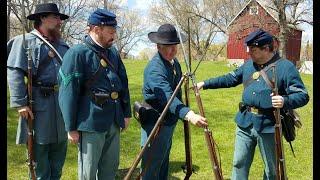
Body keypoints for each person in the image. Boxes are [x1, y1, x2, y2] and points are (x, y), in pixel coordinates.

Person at [197, 29, 309, 180]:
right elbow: (230, 78)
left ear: (267, 48)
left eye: (253, 50)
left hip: (270, 125)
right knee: (238, 163)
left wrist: (285, 101)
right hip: (245, 122)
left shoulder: (285, 67)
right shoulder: (249, 65)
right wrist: (205, 83)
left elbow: (302, 95)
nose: (249, 53)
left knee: (272, 170)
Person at [58, 8, 131, 180]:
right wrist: (70, 127)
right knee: (88, 172)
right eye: (110, 32)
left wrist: (126, 113)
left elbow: (123, 83)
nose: (114, 36)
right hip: (90, 123)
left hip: (113, 120)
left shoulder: (112, 52)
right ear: (96, 29)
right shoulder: (77, 54)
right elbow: (67, 92)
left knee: (110, 169)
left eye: (114, 31)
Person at [7, 3, 69, 179]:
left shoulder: (63, 46)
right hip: (38, 106)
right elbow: (14, 71)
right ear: (42, 18)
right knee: (39, 158)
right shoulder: (24, 41)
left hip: (61, 106)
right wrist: (20, 103)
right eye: (56, 17)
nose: (59, 22)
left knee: (58, 156)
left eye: (60, 18)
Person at [141, 24, 208, 180]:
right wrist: (189, 115)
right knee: (152, 165)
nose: (173, 51)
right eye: (168, 47)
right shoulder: (155, 69)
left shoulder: (174, 63)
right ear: (158, 46)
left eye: (175, 46)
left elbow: (176, 92)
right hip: (155, 123)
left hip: (168, 121)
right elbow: (168, 98)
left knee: (163, 160)